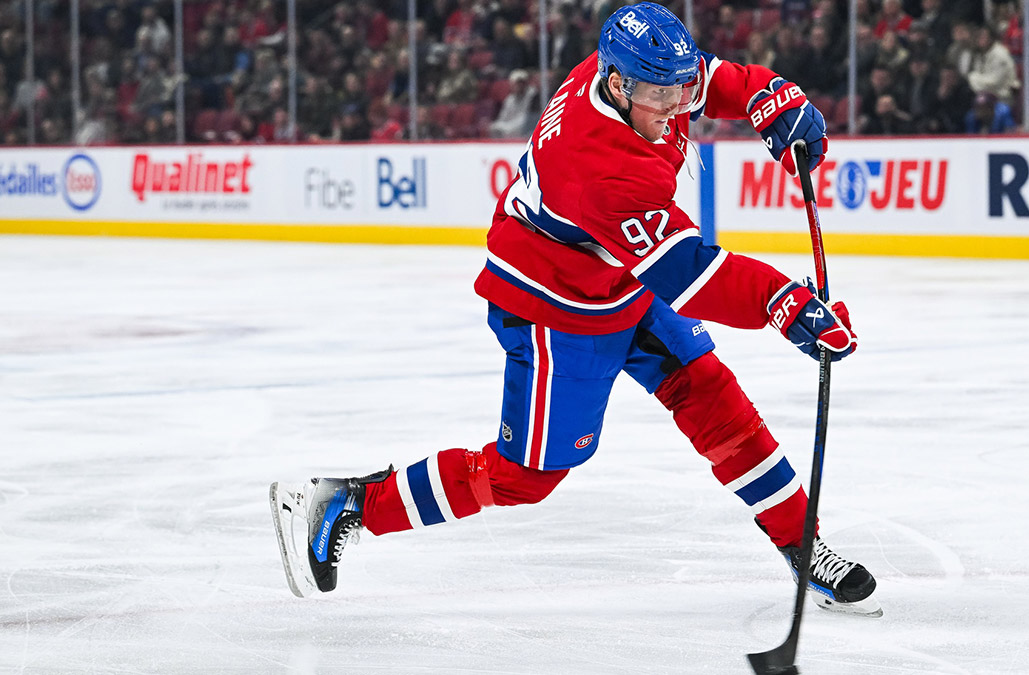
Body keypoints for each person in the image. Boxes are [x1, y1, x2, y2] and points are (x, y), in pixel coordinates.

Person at [270, 2, 881, 618]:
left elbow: (712, 78)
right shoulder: (596, 169)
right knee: (523, 477)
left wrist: (770, 98)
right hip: (555, 306)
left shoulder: (644, 79)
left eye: (679, 87)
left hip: (617, 275)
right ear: (618, 84)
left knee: (712, 395)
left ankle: (800, 545)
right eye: (660, 95)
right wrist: (782, 303)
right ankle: (348, 505)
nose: (677, 106)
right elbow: (687, 273)